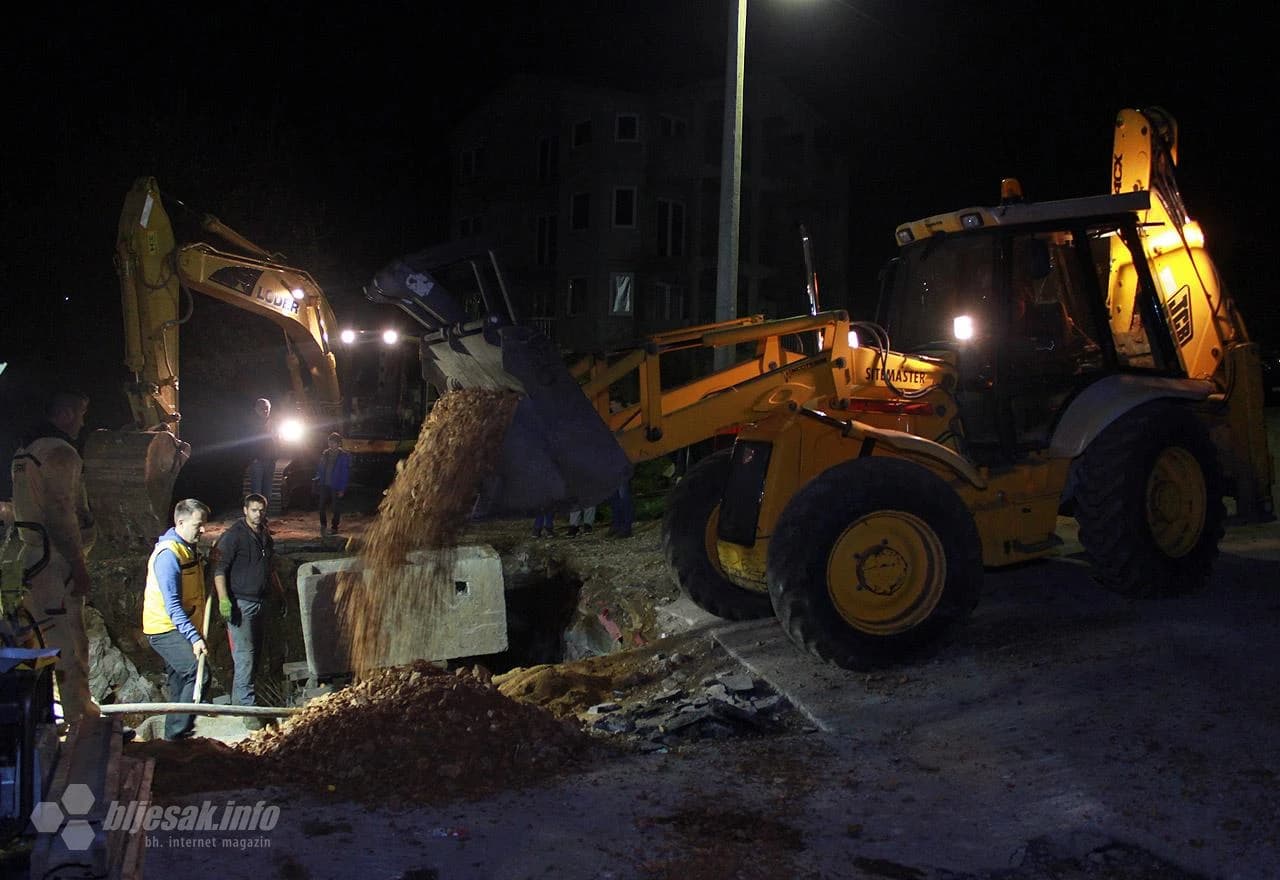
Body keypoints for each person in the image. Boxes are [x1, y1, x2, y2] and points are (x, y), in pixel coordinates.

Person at [10, 391, 98, 724]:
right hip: (55, 561)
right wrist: (78, 565)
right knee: (70, 643)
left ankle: (46, 717)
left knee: (41, 640)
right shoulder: (60, 453)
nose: (82, 421)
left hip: (30, 558)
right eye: (80, 412)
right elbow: (62, 514)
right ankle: (83, 721)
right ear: (63, 413)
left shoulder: (24, 451)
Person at [142, 498, 210, 741]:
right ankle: (180, 732)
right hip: (165, 628)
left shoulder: (187, 548)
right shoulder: (168, 555)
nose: (202, 530)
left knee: (180, 680)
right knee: (197, 672)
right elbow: (172, 605)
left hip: (181, 624)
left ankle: (173, 737)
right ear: (180, 522)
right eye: (197, 525)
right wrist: (193, 637)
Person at [213, 493, 280, 730]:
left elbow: (270, 566)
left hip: (261, 601)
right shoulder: (234, 536)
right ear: (245, 510)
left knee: (255, 656)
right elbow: (219, 569)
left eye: (261, 510)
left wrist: (278, 593)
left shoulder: (263, 534)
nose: (258, 514)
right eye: (253, 510)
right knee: (245, 657)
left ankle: (238, 703)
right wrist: (224, 600)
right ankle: (248, 712)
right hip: (241, 604)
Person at [314, 432, 351, 536]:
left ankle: (334, 527)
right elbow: (320, 468)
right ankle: (323, 525)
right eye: (329, 442)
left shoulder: (343, 457)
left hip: (336, 485)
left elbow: (344, 474)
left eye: (333, 442)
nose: (331, 444)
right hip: (324, 484)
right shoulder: (325, 454)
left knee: (335, 507)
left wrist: (342, 489)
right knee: (321, 506)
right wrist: (317, 478)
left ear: (339, 444)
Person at [246, 398, 276, 498]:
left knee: (267, 491)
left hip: (270, 460)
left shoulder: (273, 423)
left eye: (267, 408)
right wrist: (252, 458)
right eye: (262, 408)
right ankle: (256, 511)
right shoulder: (251, 424)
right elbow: (248, 443)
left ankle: (264, 512)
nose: (265, 410)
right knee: (257, 490)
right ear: (256, 409)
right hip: (257, 461)